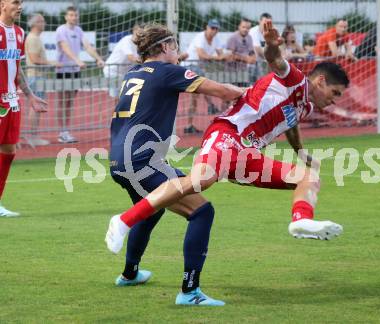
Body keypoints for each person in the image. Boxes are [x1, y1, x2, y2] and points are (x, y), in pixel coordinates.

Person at [105, 21, 350, 300]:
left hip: (230, 153)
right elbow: (273, 60)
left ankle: (301, 220)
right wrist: (270, 47)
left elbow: (290, 122)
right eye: (335, 93)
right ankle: (143, 243)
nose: (335, 100)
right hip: (224, 136)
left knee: (307, 177)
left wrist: (301, 152)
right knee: (199, 196)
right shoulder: (295, 80)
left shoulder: (303, 103)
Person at [107, 23, 243, 305]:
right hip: (143, 160)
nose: (179, 53)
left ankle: (130, 274)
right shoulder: (169, 71)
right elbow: (223, 91)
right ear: (165, 47)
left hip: (118, 159)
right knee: (202, 212)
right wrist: (255, 92)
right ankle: (190, 292)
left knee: (151, 210)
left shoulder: (132, 73)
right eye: (176, 47)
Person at [0, 0, 48, 217]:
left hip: (13, 101)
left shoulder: (19, 33)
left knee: (9, 150)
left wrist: (31, 97)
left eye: (21, 3)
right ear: (2, 4)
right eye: (15, 2)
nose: (19, 6)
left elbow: (18, 72)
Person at [55, 6, 105, 143]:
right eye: (71, 15)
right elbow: (65, 48)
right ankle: (62, 132)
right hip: (63, 71)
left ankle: (66, 131)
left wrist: (98, 58)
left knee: (70, 102)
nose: (73, 17)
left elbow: (88, 46)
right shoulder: (61, 30)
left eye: (75, 15)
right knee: (63, 102)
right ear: (66, 17)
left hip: (75, 71)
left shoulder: (79, 30)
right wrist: (77, 60)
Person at [184, 19, 226, 134]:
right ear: (206, 27)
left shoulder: (216, 39)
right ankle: (210, 106)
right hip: (190, 66)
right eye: (212, 28)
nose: (214, 31)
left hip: (200, 68)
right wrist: (218, 58)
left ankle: (210, 106)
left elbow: (221, 54)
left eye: (216, 28)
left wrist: (222, 57)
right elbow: (202, 55)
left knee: (199, 94)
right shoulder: (200, 37)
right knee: (195, 96)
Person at [25, 13, 59, 146]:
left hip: (36, 76)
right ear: (36, 23)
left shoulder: (34, 38)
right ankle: (33, 137)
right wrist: (51, 63)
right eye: (42, 21)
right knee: (35, 107)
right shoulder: (33, 38)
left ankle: (33, 136)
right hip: (35, 76)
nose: (44, 23)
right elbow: (34, 59)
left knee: (36, 106)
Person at [104, 23, 142, 99]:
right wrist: (146, 62)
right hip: (112, 71)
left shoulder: (140, 43)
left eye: (142, 33)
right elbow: (131, 57)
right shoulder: (126, 40)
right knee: (117, 97)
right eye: (139, 32)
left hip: (124, 73)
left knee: (127, 96)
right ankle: (115, 110)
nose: (141, 35)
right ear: (134, 31)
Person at [225, 18, 256, 86]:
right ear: (239, 27)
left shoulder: (249, 37)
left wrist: (253, 57)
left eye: (248, 28)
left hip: (243, 71)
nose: (245, 29)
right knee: (232, 93)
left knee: (243, 92)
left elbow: (251, 51)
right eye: (243, 27)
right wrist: (245, 59)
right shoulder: (233, 38)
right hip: (232, 72)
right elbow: (229, 55)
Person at [249, 12, 272, 81]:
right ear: (260, 21)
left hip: (264, 62)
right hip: (253, 63)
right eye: (265, 22)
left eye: (269, 23)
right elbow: (258, 50)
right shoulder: (253, 31)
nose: (266, 24)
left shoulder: (271, 32)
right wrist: (271, 59)